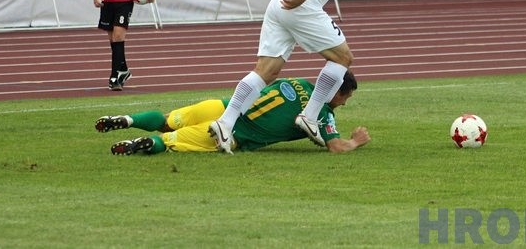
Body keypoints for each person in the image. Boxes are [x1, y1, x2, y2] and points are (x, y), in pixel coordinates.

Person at [208, 0, 463, 153]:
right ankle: (309, 116)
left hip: (281, 4)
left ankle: (225, 123)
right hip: (300, 5)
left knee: (267, 71)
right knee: (343, 57)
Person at [96, 72, 370, 155]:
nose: (345, 103)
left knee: (167, 120)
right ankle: (138, 146)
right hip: (231, 134)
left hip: (221, 107)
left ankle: (129, 119)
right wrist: (356, 141)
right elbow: (335, 146)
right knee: (169, 142)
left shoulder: (297, 82)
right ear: (335, 93)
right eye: (346, 96)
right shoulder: (322, 113)